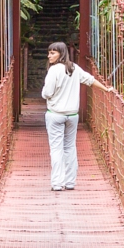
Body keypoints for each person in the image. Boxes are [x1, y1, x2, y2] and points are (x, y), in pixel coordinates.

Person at [40, 42, 111, 191]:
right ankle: (70, 182)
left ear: (61, 53)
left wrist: (49, 95)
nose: (49, 56)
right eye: (49, 53)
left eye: (52, 53)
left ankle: (57, 183)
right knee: (70, 147)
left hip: (55, 115)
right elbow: (90, 80)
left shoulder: (54, 71)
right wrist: (106, 89)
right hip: (72, 116)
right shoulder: (74, 68)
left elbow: (46, 93)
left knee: (56, 149)